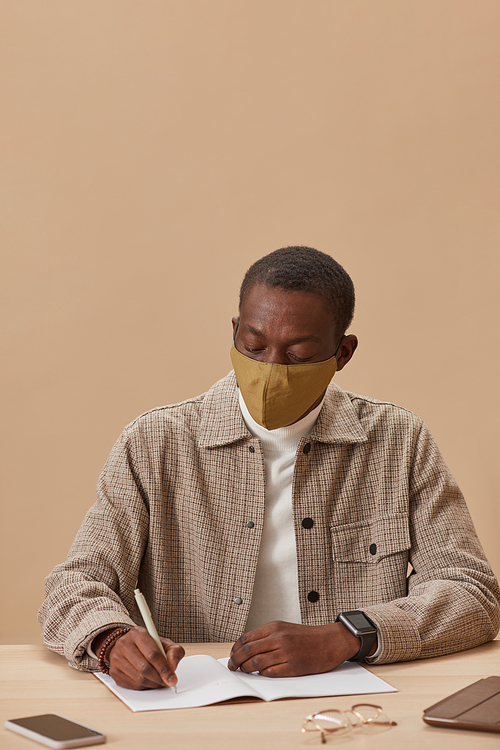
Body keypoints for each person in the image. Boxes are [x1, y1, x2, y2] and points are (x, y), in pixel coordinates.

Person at [39, 246, 500, 691]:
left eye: (298, 355)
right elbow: (72, 585)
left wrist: (348, 636)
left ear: (343, 353)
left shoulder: (399, 441)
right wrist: (109, 640)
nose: (271, 369)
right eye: (254, 345)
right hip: (192, 707)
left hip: (351, 706)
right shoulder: (156, 442)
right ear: (235, 331)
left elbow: (471, 593)